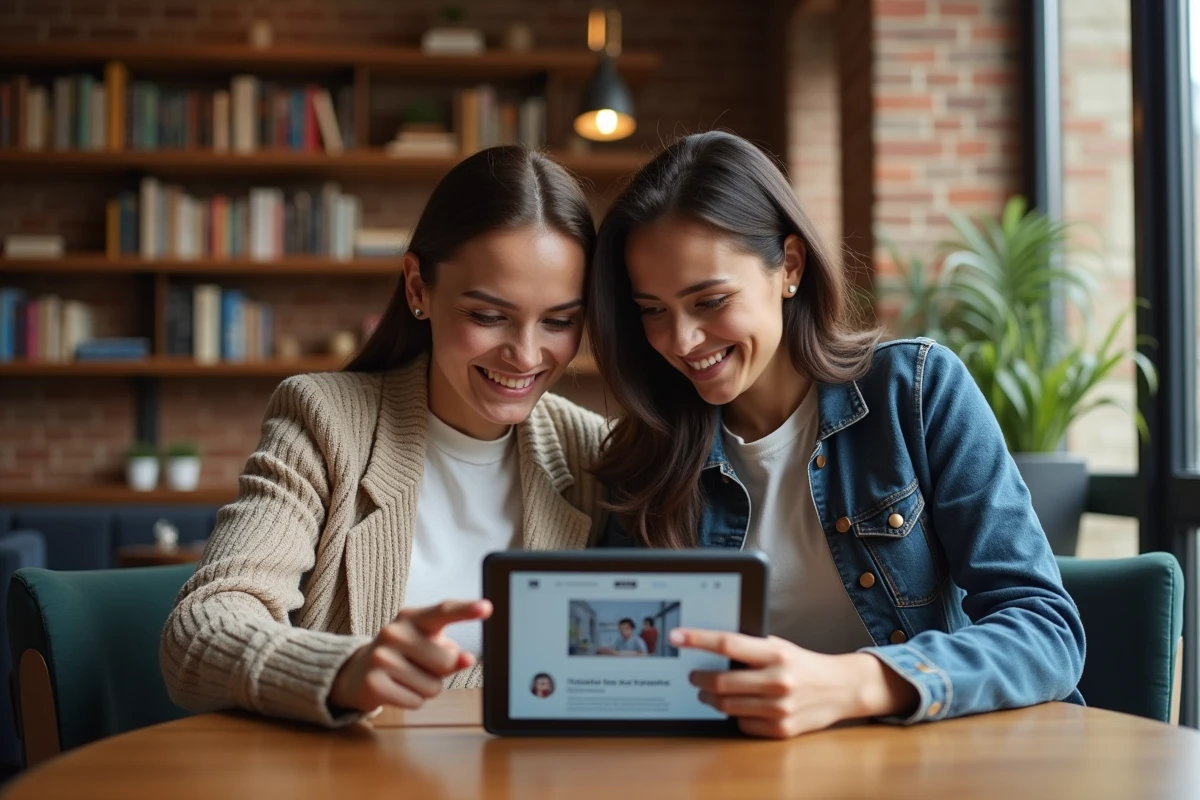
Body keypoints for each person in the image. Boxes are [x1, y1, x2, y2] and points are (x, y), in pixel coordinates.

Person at [587, 131, 1085, 739]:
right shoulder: (647, 456)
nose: (682, 341)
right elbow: (618, 673)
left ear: (789, 267)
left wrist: (853, 683)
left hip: (928, 767)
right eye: (653, 310)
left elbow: (1044, 631)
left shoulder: (915, 391)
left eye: (711, 300)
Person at [161, 146, 608, 727]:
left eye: (559, 321)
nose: (525, 355)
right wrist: (345, 670)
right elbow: (201, 630)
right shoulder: (326, 421)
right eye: (488, 316)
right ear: (419, 288)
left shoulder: (593, 451)